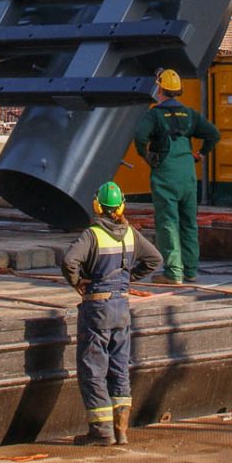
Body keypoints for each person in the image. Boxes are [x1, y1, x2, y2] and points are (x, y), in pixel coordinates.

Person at [60, 181, 162, 447]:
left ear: (97, 206)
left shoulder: (92, 235)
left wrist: (78, 282)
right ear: (121, 206)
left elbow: (69, 261)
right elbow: (155, 260)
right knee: (119, 367)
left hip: (98, 308)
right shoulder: (130, 234)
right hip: (122, 308)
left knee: (93, 368)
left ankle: (101, 432)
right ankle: (122, 431)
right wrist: (128, 279)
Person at [133, 68, 219, 285]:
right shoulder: (189, 115)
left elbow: (140, 136)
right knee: (189, 223)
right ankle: (190, 270)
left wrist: (147, 155)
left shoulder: (154, 115)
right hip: (187, 175)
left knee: (168, 223)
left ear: (159, 88)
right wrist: (200, 154)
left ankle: (173, 273)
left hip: (166, 176)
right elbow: (213, 134)